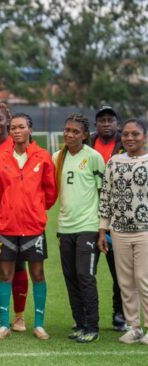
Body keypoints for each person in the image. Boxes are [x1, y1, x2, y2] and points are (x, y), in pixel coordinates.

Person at [0, 114, 57, 341]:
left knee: (37, 274)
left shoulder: (43, 157)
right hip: (6, 227)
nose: (16, 131)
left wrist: (34, 210)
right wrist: (5, 212)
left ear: (30, 129)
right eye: (13, 128)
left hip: (33, 227)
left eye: (21, 127)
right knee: (6, 274)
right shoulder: (2, 157)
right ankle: (3, 324)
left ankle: (38, 324)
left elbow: (50, 193)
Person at [53, 113, 105, 343]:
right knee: (71, 276)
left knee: (85, 276)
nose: (69, 134)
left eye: (75, 131)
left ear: (85, 135)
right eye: (67, 130)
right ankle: (80, 323)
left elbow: (104, 193)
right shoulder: (57, 157)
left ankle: (92, 326)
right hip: (65, 227)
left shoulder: (93, 157)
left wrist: (103, 227)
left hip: (88, 226)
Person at [98, 119, 148, 344]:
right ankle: (134, 327)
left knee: (143, 279)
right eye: (126, 134)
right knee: (125, 282)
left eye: (135, 134)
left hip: (144, 231)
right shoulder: (114, 162)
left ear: (144, 136)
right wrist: (102, 229)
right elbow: (106, 197)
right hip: (118, 231)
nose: (130, 138)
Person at [0, 103, 29, 332]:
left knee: (18, 266)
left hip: (14, 217)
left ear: (8, 121)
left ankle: (19, 316)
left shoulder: (19, 146)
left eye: (0, 119)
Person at [90, 105, 127, 331]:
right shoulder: (86, 144)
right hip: (88, 218)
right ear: (96, 125)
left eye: (110, 120)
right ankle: (87, 315)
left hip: (117, 220)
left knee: (120, 272)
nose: (106, 123)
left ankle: (119, 315)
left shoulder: (127, 146)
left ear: (117, 124)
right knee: (86, 273)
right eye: (102, 120)